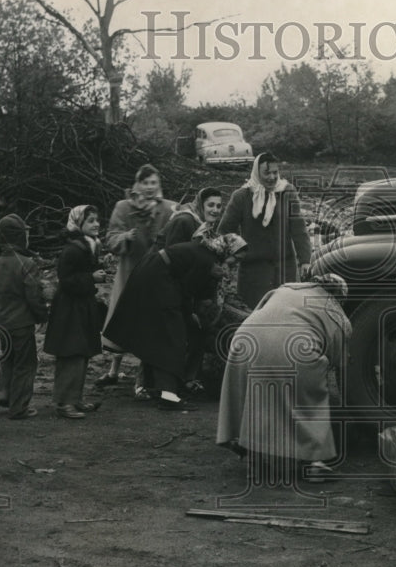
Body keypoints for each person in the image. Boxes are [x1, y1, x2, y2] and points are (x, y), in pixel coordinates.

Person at [216, 273, 351, 482]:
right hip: (295, 349)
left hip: (245, 342)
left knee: (257, 399)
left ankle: (254, 457)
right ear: (338, 297)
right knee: (308, 400)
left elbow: (260, 312)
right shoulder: (338, 315)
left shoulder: (283, 290)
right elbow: (339, 365)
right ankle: (313, 462)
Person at [103, 234, 249, 411]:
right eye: (235, 258)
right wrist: (190, 314)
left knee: (160, 333)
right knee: (172, 335)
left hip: (153, 273)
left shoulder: (206, 254)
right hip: (157, 279)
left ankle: (155, 386)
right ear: (228, 251)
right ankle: (168, 394)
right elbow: (187, 290)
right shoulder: (206, 260)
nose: (235, 264)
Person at [97, 164, 177, 395]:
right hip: (129, 271)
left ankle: (141, 380)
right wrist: (126, 237)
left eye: (154, 183)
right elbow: (110, 238)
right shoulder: (123, 207)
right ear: (137, 184)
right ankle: (114, 369)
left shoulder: (168, 209)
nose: (150, 188)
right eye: (145, 183)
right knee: (124, 320)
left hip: (155, 275)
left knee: (149, 325)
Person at [217, 152, 312, 308]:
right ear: (256, 173)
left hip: (284, 270)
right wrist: (226, 261)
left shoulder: (288, 193)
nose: (272, 177)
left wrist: (305, 261)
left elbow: (299, 229)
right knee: (256, 315)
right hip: (254, 273)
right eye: (266, 173)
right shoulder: (241, 196)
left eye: (275, 172)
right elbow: (225, 231)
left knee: (286, 313)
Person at [43, 205, 107, 419]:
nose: (96, 224)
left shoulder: (89, 245)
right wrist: (92, 278)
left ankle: (75, 399)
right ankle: (63, 402)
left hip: (81, 306)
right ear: (79, 224)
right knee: (71, 354)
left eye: (97, 220)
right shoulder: (73, 249)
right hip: (69, 309)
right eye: (90, 221)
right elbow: (66, 280)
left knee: (82, 354)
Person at [0, 214, 49, 420]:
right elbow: (33, 295)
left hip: (3, 323)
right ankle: (19, 407)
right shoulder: (27, 264)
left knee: (8, 359)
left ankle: (6, 395)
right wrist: (42, 316)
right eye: (25, 233)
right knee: (25, 363)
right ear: (19, 237)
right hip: (22, 324)